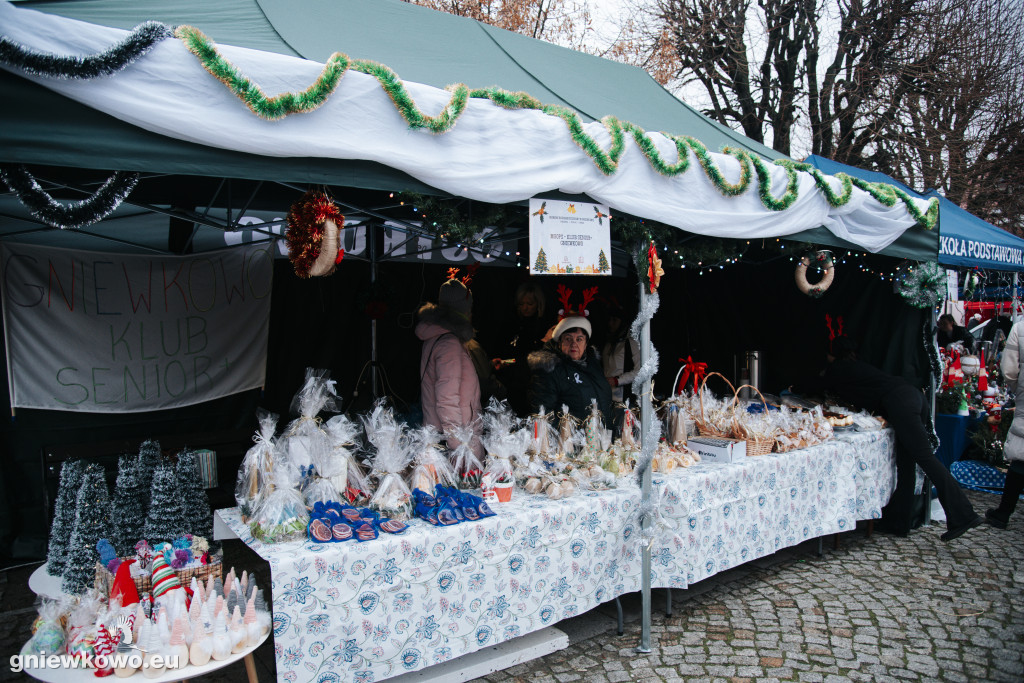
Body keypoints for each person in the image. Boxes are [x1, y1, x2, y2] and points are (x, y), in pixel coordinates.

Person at [804, 336, 982, 541]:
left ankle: (964, 514)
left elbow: (816, 387)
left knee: (924, 458)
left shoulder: (838, 369)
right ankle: (899, 522)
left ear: (831, 354)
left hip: (901, 403)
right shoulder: (855, 366)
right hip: (913, 397)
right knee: (906, 464)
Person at [415, 277, 482, 457]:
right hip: (457, 441)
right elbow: (447, 398)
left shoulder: (437, 337)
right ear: (464, 310)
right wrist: (459, 446)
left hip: (441, 434)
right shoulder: (449, 343)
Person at [527, 313, 612, 422]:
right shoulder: (549, 369)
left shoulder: (593, 364)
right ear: (559, 343)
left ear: (586, 344)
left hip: (601, 436)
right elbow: (543, 415)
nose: (574, 344)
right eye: (568, 339)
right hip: (571, 438)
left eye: (579, 339)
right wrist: (568, 436)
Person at [493, 282, 550, 414]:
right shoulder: (511, 324)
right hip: (509, 384)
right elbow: (506, 355)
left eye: (529, 304)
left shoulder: (542, 328)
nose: (525, 308)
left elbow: (526, 359)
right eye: (521, 304)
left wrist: (507, 362)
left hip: (530, 386)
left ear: (538, 304)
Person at [991, 320, 1024, 528]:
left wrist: (1018, 389)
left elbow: (1009, 370)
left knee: (1021, 457)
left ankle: (1003, 513)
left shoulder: (1020, 327)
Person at [602, 301, 641, 403]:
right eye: (609, 320)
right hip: (607, 397)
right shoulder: (609, 343)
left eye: (614, 320)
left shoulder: (631, 342)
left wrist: (617, 380)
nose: (610, 323)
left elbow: (640, 371)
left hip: (625, 399)